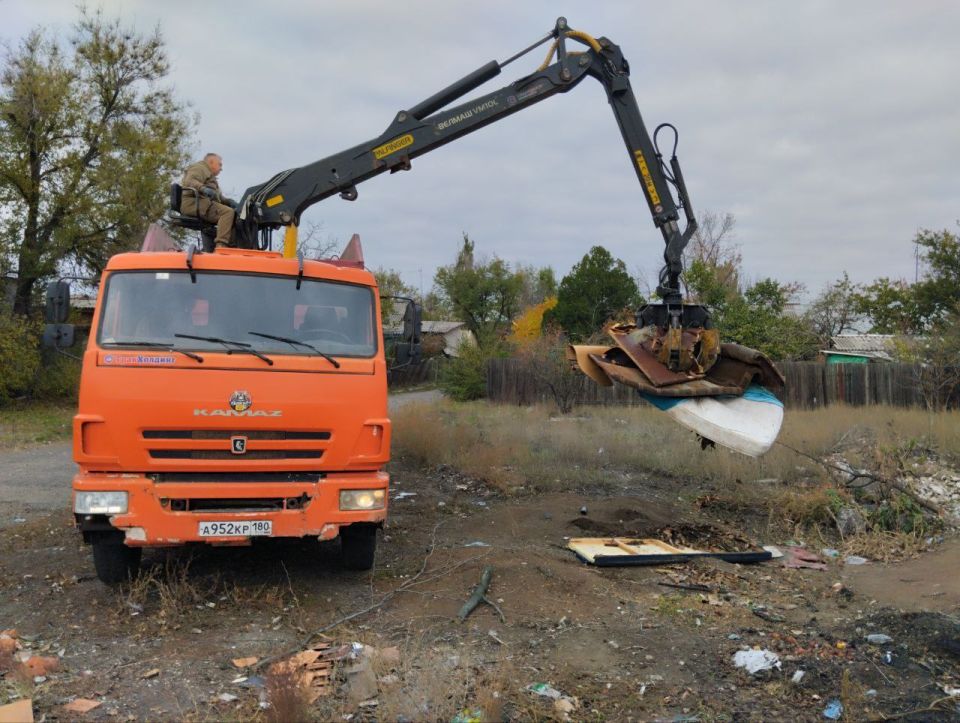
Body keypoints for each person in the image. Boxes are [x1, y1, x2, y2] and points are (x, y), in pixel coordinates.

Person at [180, 153, 237, 247]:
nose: (221, 168)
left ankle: (232, 244)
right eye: (220, 164)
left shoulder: (209, 175)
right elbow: (189, 181)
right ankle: (221, 244)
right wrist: (203, 189)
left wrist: (229, 201)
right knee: (227, 213)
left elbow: (217, 197)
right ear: (211, 162)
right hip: (194, 204)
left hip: (203, 204)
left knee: (235, 214)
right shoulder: (199, 168)